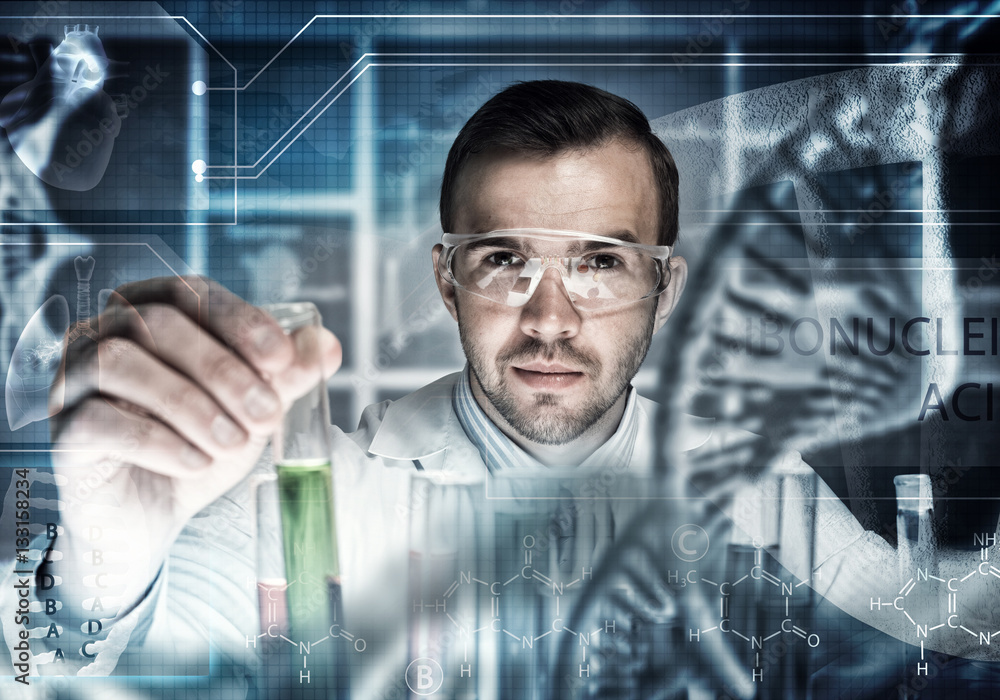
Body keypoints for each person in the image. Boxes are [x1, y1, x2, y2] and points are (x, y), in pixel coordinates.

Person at [4, 80, 997, 699]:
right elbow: (58, 668)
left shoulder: (750, 483)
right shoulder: (324, 492)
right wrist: (103, 560)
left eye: (602, 262)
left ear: (664, 283)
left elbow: (934, 626)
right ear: (447, 278)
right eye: (504, 260)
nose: (550, 318)